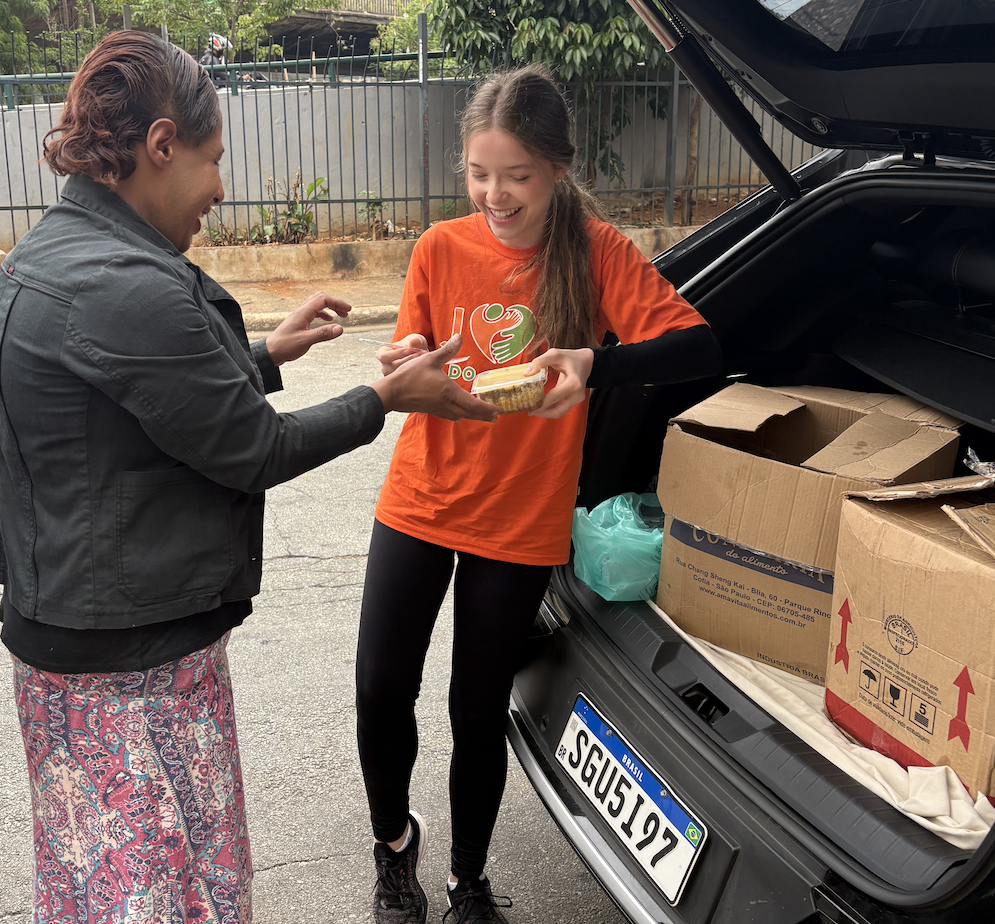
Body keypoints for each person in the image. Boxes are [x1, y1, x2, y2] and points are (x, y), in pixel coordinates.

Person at [0, 30, 496, 923]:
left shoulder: (54, 252)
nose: (221, 188)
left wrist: (264, 353)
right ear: (161, 144)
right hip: (127, 672)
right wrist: (386, 396)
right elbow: (253, 449)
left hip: (85, 648)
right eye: (213, 158)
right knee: (159, 899)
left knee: (126, 887)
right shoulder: (125, 284)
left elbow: (142, 404)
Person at [356, 64, 722, 924]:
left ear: (557, 168)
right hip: (421, 496)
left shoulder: (596, 253)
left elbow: (699, 348)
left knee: (476, 708)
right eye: (479, 174)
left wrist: (595, 364)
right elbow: (413, 343)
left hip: (520, 518)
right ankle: (394, 850)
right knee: (379, 690)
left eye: (515, 176)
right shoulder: (439, 247)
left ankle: (467, 880)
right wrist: (402, 360)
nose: (494, 195)